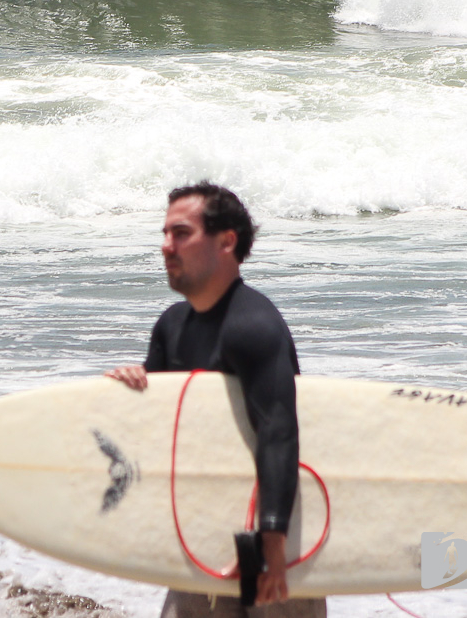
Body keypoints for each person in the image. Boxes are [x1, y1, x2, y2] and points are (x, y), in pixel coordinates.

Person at [106, 182, 324, 618]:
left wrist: (272, 543)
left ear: (227, 241)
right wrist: (134, 387)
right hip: (200, 531)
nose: (167, 246)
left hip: (271, 536)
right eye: (165, 233)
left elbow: (279, 433)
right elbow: (163, 432)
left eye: (181, 233)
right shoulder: (172, 326)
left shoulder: (254, 325)